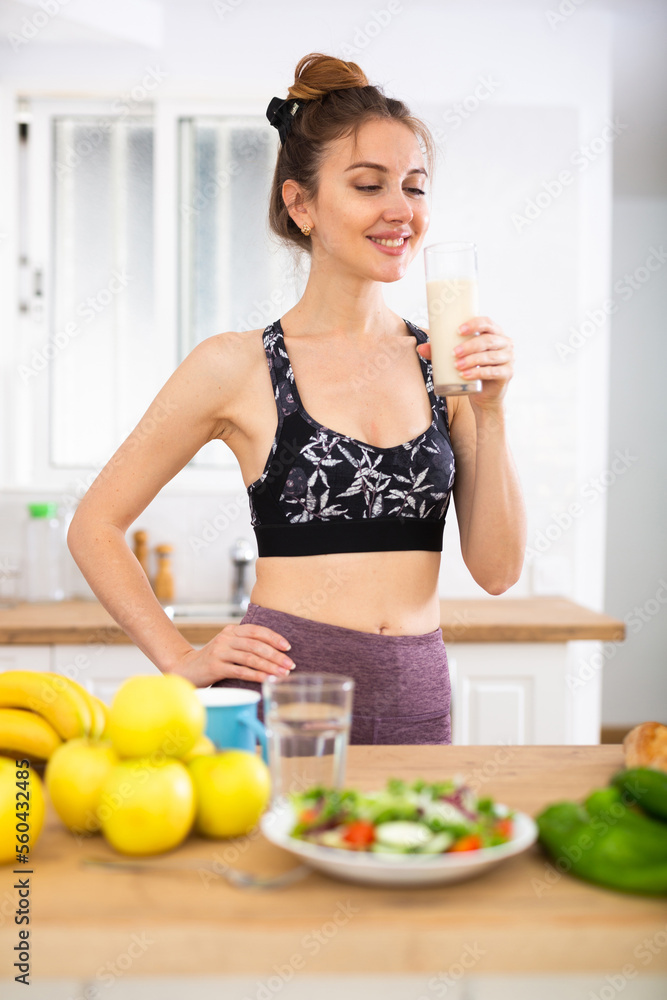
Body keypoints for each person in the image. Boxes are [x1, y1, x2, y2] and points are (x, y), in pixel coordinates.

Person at [68, 53, 526, 746]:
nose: (401, 210)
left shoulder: (444, 366)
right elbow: (94, 525)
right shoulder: (236, 364)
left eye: (415, 186)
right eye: (369, 185)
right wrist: (179, 658)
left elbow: (496, 571)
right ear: (300, 203)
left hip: (415, 700)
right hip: (277, 705)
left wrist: (490, 411)